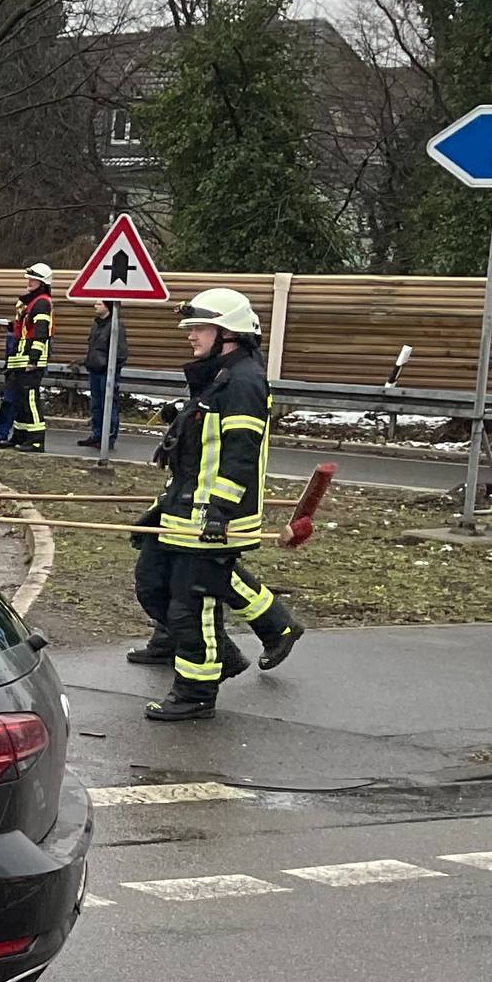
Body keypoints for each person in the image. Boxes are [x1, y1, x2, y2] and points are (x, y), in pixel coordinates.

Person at [139, 287, 307, 721]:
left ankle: (197, 690)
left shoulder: (244, 382)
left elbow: (239, 453)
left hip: (211, 514)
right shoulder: (218, 375)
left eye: (199, 327)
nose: (191, 335)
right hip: (184, 504)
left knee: (193, 603)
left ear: (228, 332)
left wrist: (219, 510)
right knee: (152, 580)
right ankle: (236, 648)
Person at [0, 264, 55, 451]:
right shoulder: (32, 302)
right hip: (21, 359)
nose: (29, 281)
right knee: (20, 401)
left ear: (42, 282)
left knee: (30, 401)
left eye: (33, 279)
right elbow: (28, 329)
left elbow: (41, 332)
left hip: (31, 361)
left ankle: (36, 441)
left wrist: (33, 360)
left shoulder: (42, 302)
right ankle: (19, 436)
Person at [79, 299, 130, 449]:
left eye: (99, 303)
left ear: (108, 307)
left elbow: (121, 352)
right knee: (96, 405)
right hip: (95, 370)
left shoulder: (116, 326)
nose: (95, 305)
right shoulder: (96, 325)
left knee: (108, 405)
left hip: (107, 372)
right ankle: (96, 435)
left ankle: (108, 438)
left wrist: (111, 368)